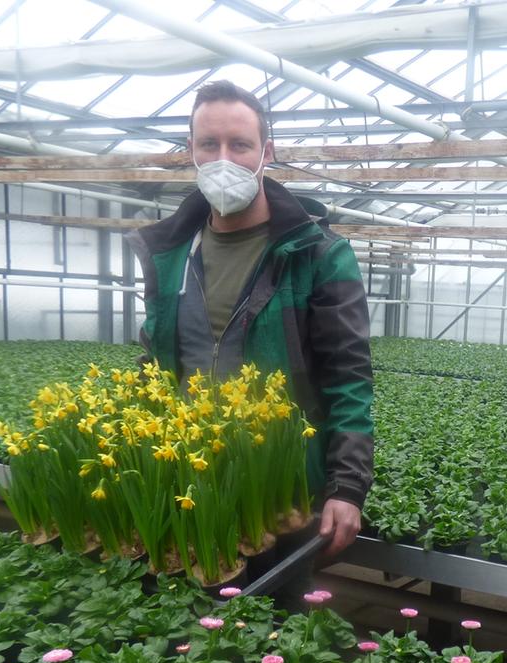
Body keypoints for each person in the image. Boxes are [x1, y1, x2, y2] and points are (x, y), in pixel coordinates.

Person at [124, 80, 373, 558]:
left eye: (239, 144)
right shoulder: (170, 253)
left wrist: (347, 488)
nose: (223, 159)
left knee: (268, 625)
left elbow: (349, 378)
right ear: (191, 152)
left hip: (279, 492)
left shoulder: (319, 254)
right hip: (186, 478)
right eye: (208, 144)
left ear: (266, 153)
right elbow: (153, 362)